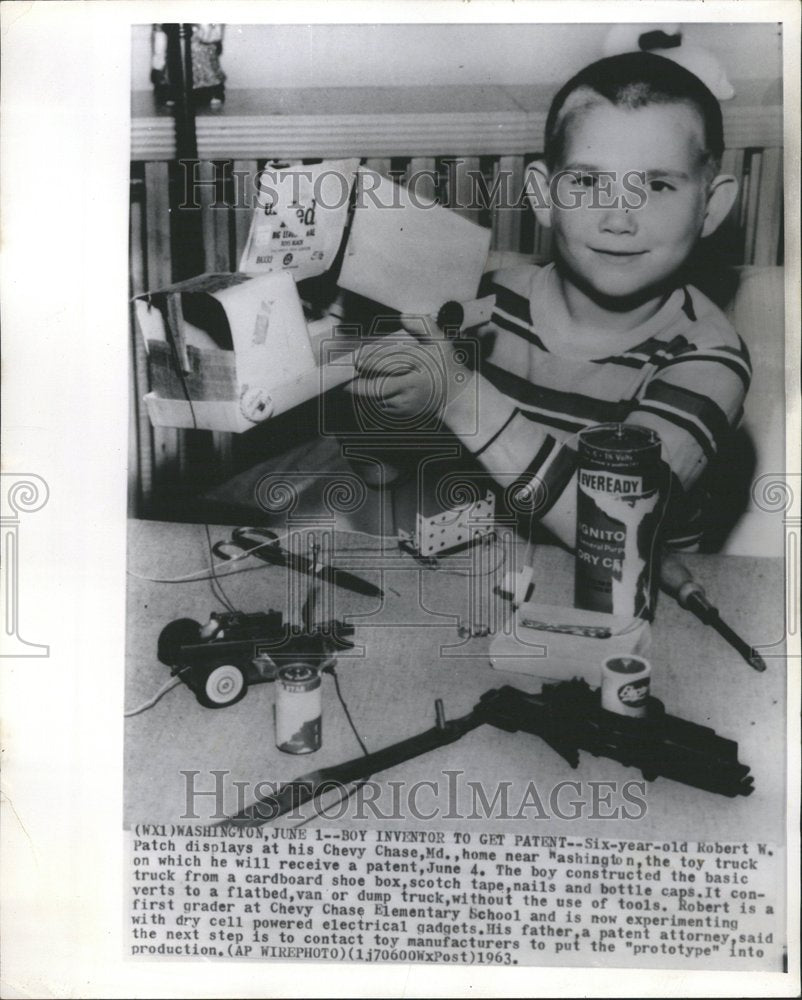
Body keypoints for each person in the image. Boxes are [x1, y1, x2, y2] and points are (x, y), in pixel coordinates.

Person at [348, 52, 750, 551]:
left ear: (711, 206)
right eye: (587, 182)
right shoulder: (482, 304)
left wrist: (458, 397)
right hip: (480, 587)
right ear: (542, 195)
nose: (618, 219)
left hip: (624, 614)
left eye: (657, 185)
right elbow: (381, 475)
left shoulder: (706, 359)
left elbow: (617, 530)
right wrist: (376, 390)